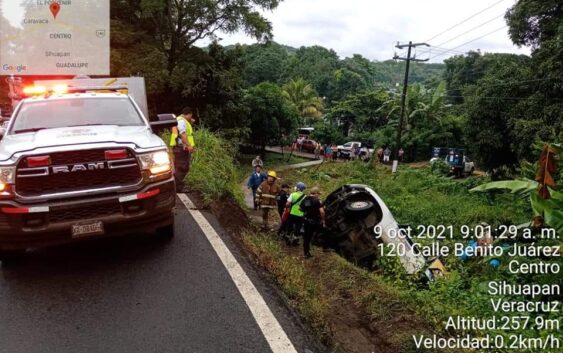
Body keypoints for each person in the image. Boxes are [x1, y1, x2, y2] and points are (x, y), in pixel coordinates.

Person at [170, 107, 196, 193]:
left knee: (182, 167)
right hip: (181, 147)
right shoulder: (181, 121)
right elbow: (182, 133)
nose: (191, 117)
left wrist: (190, 122)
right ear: (189, 114)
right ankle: (178, 187)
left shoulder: (180, 120)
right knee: (181, 167)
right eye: (190, 115)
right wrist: (188, 145)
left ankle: (176, 185)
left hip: (180, 147)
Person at [300, 186, 325, 258]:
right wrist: (323, 220)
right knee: (323, 231)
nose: (318, 195)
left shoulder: (305, 199)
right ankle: (325, 247)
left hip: (305, 220)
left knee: (306, 238)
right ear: (316, 193)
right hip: (314, 222)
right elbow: (322, 212)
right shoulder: (316, 200)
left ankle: (306, 253)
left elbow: (300, 208)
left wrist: (307, 211)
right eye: (318, 194)